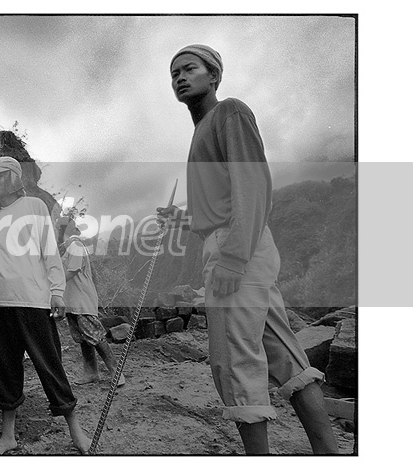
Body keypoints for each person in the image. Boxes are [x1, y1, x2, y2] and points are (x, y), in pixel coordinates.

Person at [158, 44, 338, 454]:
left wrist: (234, 258)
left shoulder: (230, 112)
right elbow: (219, 206)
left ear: (214, 76)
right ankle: (330, 455)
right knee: (285, 356)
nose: (180, 77)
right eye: (174, 74)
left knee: (234, 363)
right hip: (237, 244)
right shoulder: (202, 131)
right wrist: (182, 220)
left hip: (237, 247)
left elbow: (252, 185)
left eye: (189, 68)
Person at [0, 156, 91, 455]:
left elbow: (49, 251)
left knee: (49, 365)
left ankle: (76, 430)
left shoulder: (34, 206)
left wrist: (57, 291)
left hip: (33, 301)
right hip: (1, 304)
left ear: (13, 178)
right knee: (5, 368)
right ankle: (8, 436)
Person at [57, 216, 124, 387]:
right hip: (73, 300)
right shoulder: (67, 248)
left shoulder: (75, 245)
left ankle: (116, 371)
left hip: (82, 299)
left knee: (95, 335)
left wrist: (53, 283)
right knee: (83, 337)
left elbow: (73, 270)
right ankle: (91, 372)